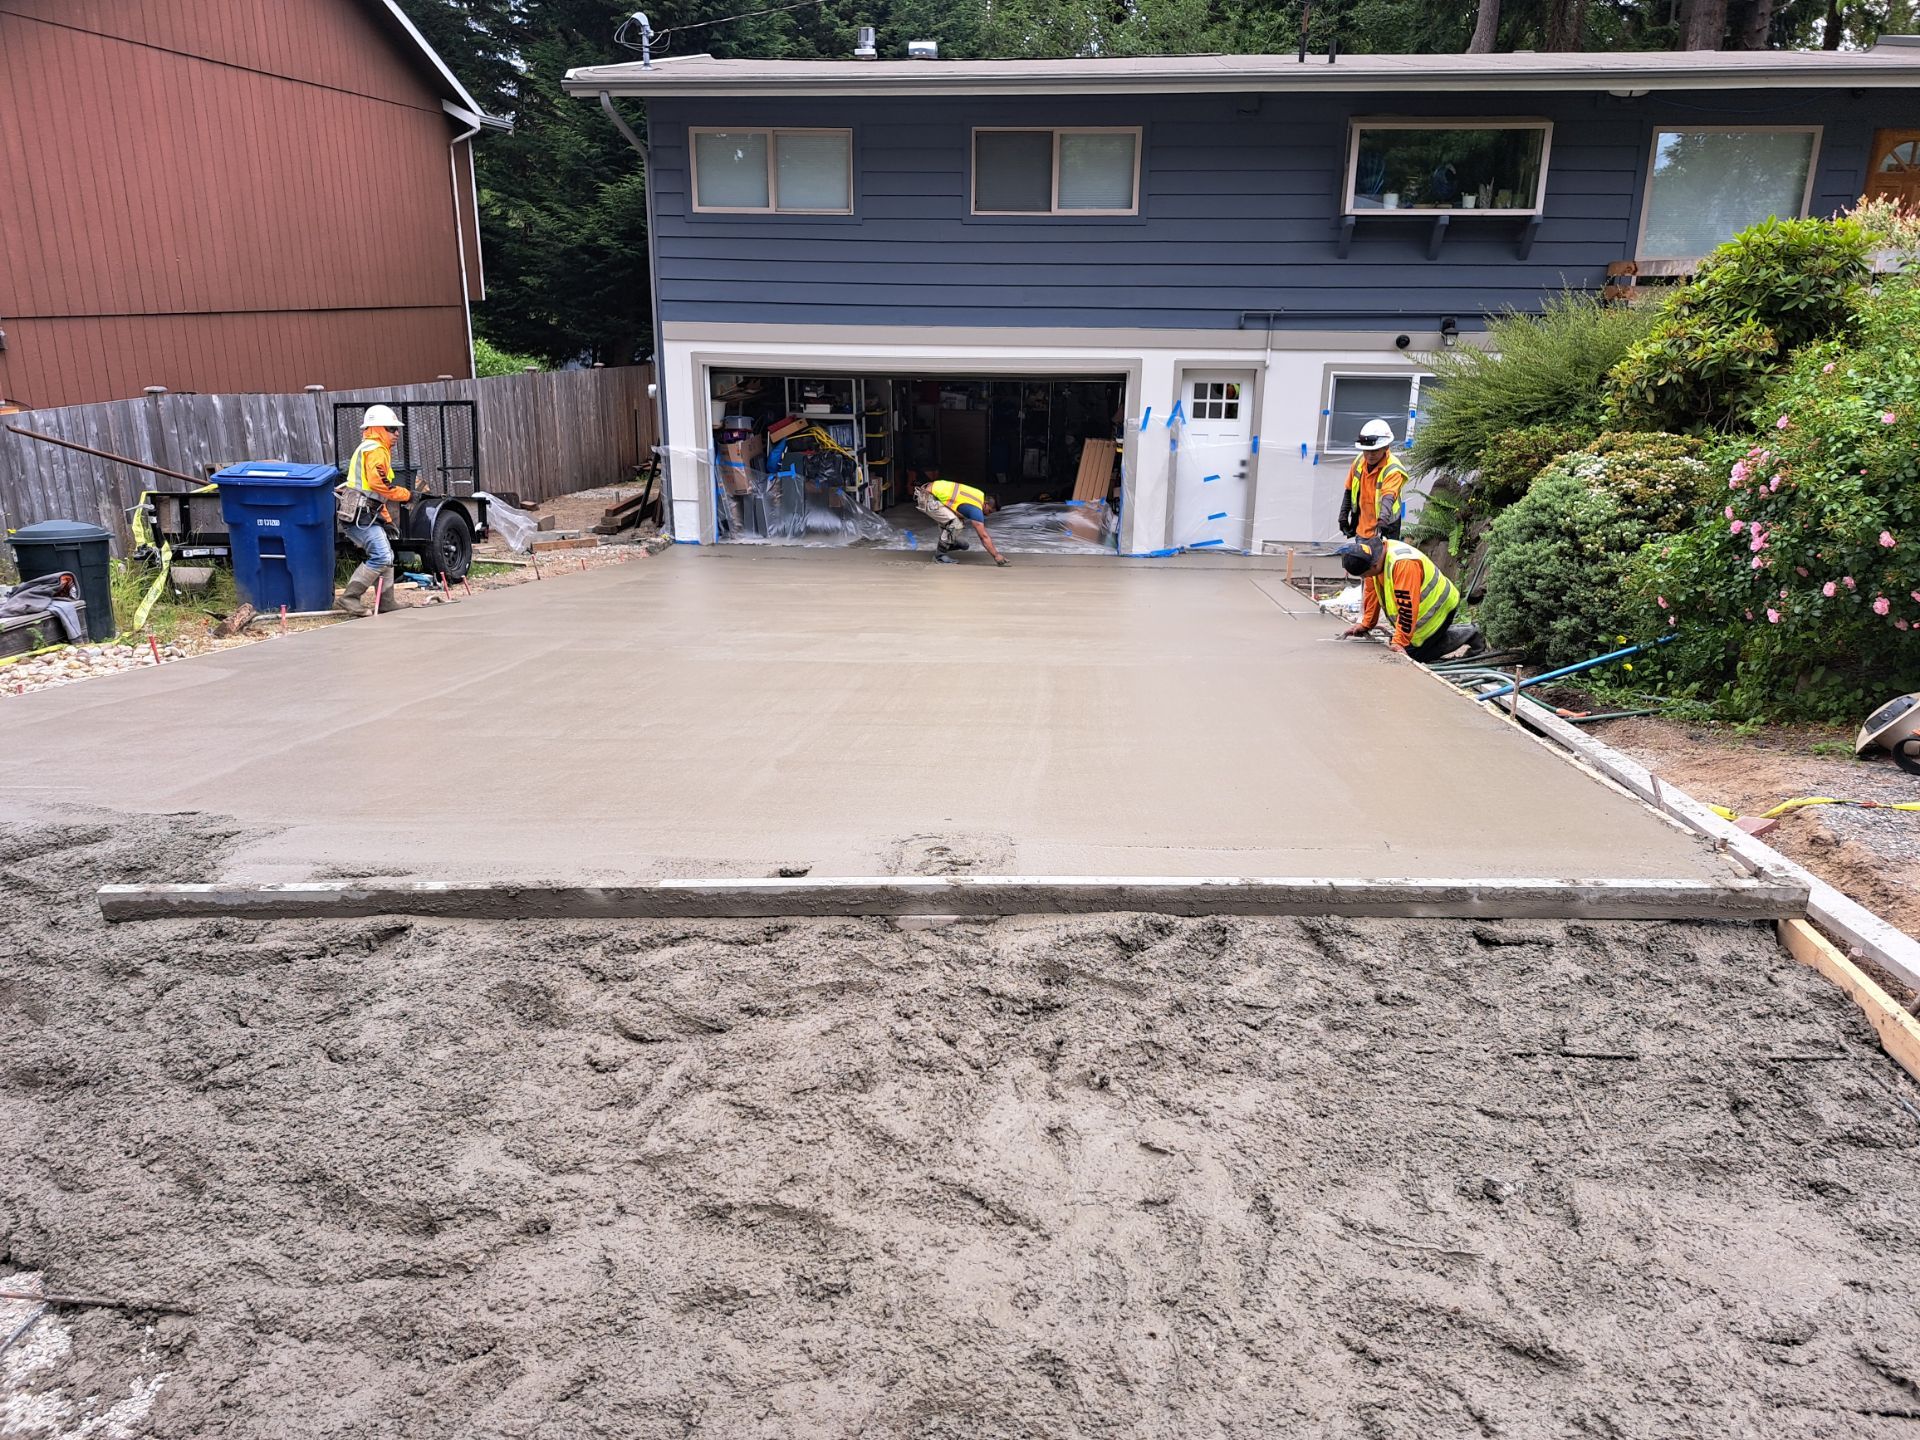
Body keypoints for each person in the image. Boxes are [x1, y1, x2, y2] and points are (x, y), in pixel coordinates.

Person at [1337, 536, 1485, 663]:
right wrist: (1366, 623)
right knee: (1403, 645)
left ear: (1373, 565)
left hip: (1439, 608)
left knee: (1412, 655)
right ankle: (1454, 634)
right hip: (1419, 611)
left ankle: (1470, 633)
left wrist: (1399, 641)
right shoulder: (1373, 555)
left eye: (1366, 575)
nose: (1367, 578)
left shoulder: (1403, 564)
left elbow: (1407, 608)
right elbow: (1372, 592)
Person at [334, 404, 411, 615]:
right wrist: (407, 495)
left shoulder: (371, 448)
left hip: (366, 512)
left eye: (396, 429)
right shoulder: (376, 450)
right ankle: (349, 598)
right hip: (360, 514)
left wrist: (386, 520)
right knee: (382, 556)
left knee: (386, 554)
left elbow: (376, 496)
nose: (396, 433)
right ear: (377, 429)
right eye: (391, 428)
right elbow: (380, 485)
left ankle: (386, 602)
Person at [1338, 418, 1409, 542]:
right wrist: (1343, 516)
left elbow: (1388, 497)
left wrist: (1382, 522)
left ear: (1385, 448)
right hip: (1362, 529)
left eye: (1375, 451)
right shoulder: (1359, 462)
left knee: (1381, 561)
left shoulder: (1393, 469)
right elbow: (1349, 491)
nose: (1370, 455)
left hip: (1385, 528)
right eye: (1367, 450)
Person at [915, 477, 1009, 566]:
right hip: (927, 497)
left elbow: (955, 503)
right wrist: (996, 555)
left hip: (930, 492)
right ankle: (939, 556)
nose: (987, 515)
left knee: (959, 522)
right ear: (986, 503)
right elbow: (983, 536)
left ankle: (948, 543)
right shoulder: (976, 510)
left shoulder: (979, 494)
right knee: (956, 524)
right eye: (989, 511)